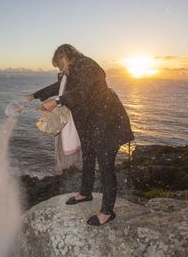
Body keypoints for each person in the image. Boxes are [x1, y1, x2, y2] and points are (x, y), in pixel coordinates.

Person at [25, 44, 134, 226]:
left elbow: (82, 91)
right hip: (90, 122)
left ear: (65, 56)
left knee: (106, 165)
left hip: (107, 121)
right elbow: (60, 87)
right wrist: (34, 95)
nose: (59, 69)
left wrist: (58, 100)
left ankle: (107, 212)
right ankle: (85, 192)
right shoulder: (71, 71)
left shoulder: (87, 65)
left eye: (59, 64)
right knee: (88, 156)